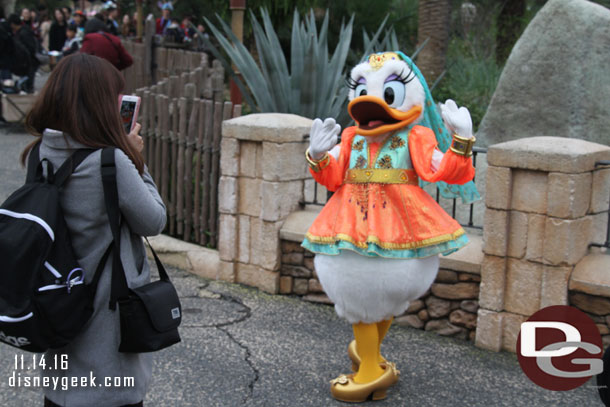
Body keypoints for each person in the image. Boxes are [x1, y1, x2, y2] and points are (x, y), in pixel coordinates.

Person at [20, 52, 166, 407]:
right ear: (102, 103)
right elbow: (154, 220)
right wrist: (134, 157)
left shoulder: (41, 151)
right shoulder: (110, 160)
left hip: (56, 301)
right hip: (106, 318)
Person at [8, 13, 39, 93]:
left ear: (12, 24)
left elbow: (30, 49)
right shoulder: (23, 31)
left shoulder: (23, 33)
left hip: (28, 63)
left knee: (27, 86)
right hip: (26, 63)